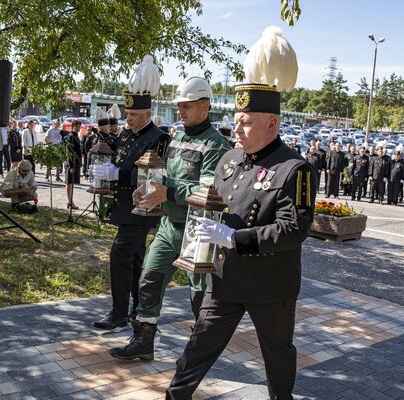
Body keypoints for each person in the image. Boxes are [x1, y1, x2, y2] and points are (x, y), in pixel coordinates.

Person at [166, 26, 314, 400]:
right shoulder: (231, 160)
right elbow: (214, 205)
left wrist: (234, 238)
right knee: (197, 348)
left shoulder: (294, 169)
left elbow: (294, 229)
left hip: (270, 284)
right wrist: (204, 234)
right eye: (236, 120)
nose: (238, 128)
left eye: (246, 122)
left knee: (278, 357)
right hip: (226, 280)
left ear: (272, 123)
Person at [108, 74, 231, 361]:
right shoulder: (177, 138)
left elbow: (209, 191)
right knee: (148, 280)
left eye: (187, 106)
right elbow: (164, 175)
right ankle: (143, 340)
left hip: (197, 229)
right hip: (168, 226)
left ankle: (197, 352)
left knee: (199, 295)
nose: (181, 112)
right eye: (180, 106)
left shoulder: (216, 145)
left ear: (205, 106)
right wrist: (147, 187)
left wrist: (169, 191)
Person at [90, 57, 170, 330]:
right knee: (135, 258)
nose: (128, 119)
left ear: (147, 115)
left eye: (134, 115)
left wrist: (118, 174)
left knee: (119, 255)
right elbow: (120, 160)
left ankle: (119, 312)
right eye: (127, 114)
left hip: (143, 207)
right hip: (124, 205)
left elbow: (155, 176)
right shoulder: (126, 135)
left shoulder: (158, 137)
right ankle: (138, 307)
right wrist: (107, 171)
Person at [65, 120, 82, 209]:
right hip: (71, 163)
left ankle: (70, 201)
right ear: (73, 126)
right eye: (77, 126)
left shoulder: (76, 136)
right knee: (69, 183)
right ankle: (70, 202)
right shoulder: (71, 136)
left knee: (71, 183)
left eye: (79, 126)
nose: (78, 128)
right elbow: (69, 152)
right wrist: (71, 165)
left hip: (76, 163)